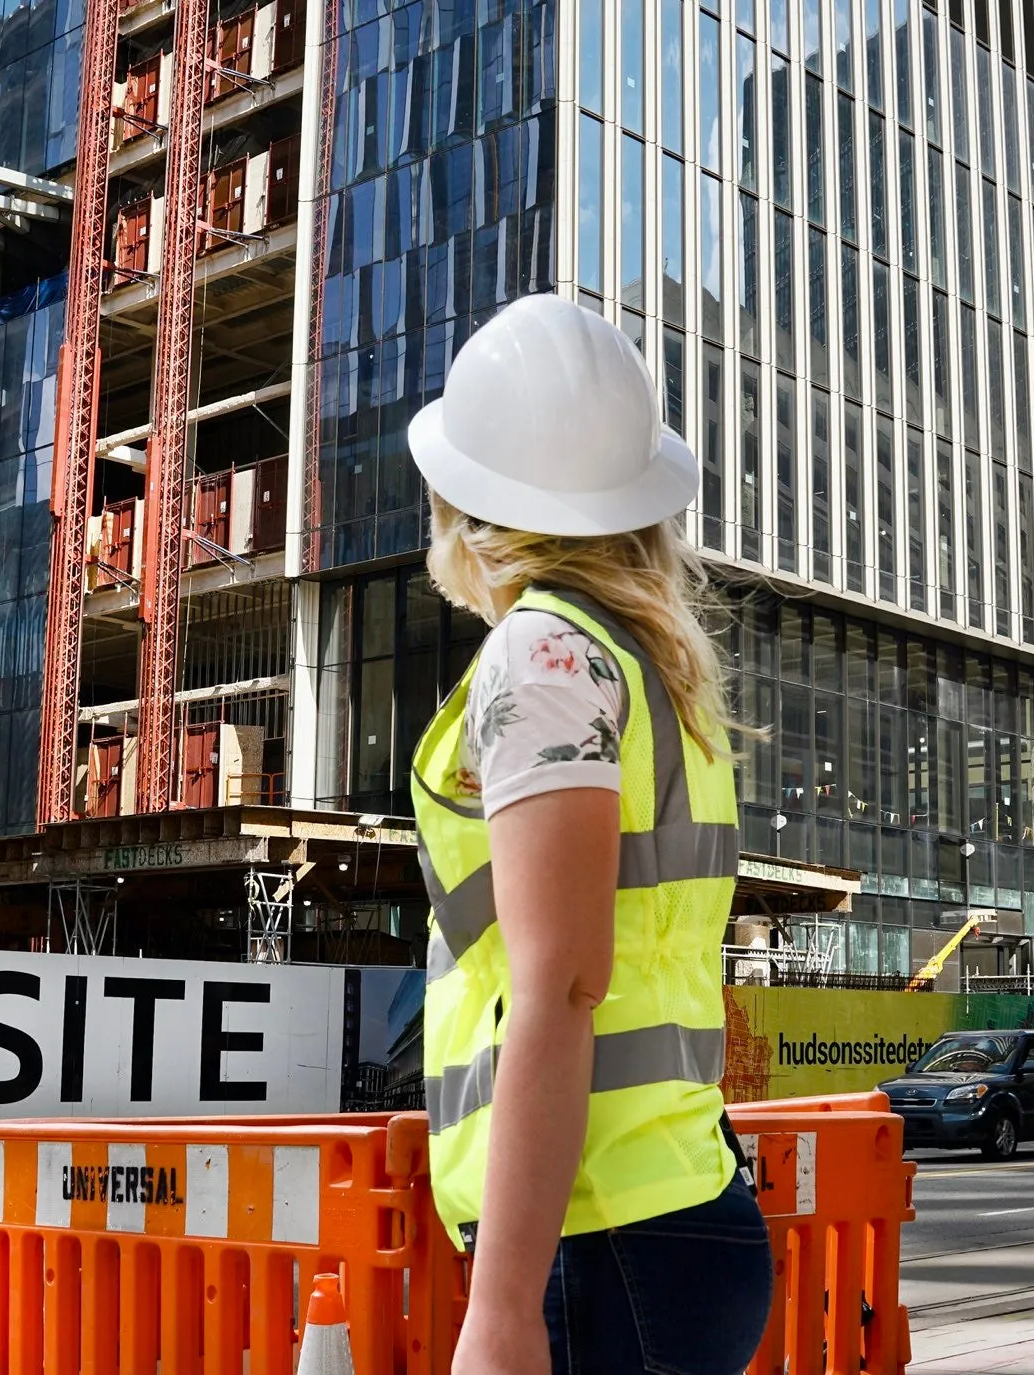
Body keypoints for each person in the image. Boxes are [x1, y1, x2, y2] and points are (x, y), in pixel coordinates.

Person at [406, 293, 774, 1375]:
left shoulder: (543, 657)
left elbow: (561, 982)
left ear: (469, 507)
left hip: (601, 1240)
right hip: (664, 1214)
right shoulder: (646, 666)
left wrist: (501, 1304)